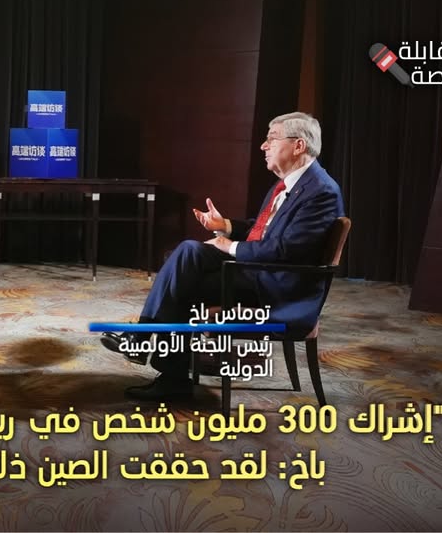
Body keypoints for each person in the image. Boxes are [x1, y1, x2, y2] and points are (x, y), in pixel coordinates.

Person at [101, 112, 345, 401]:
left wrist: (229, 246)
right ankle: (152, 353)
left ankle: (159, 362)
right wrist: (225, 226)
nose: (263, 146)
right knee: (188, 253)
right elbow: (264, 230)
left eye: (271, 139)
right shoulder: (286, 184)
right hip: (260, 273)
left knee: (183, 282)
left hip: (278, 288)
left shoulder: (321, 192)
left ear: (298, 145)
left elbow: (285, 250)